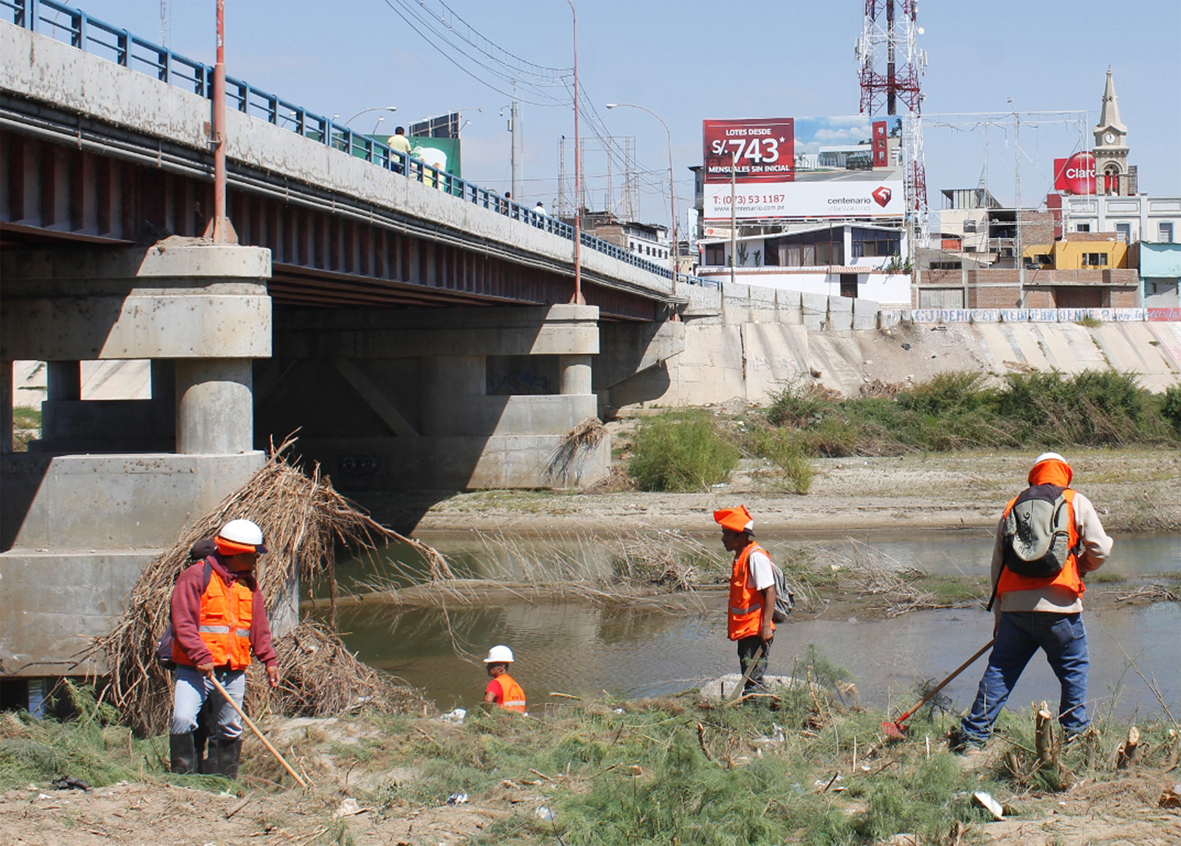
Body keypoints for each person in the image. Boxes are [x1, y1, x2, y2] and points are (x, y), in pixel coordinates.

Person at [957, 452, 1113, 752]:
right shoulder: (1074, 500)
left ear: (1034, 474)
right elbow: (1101, 548)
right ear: (1065, 473)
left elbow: (998, 564)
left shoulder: (1012, 505)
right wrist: (1079, 567)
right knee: (1074, 668)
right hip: (1060, 607)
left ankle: (974, 737)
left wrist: (1000, 614)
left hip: (1015, 607)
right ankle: (1075, 736)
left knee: (1000, 671)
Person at [169, 519, 280, 777]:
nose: (256, 560)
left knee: (230, 726)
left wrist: (270, 660)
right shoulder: (195, 576)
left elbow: (258, 627)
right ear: (235, 553)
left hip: (232, 671)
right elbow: (182, 622)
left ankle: (224, 783)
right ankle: (184, 782)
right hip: (195, 669)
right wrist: (200, 656)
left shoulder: (249, 584)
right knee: (184, 720)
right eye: (253, 554)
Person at [714, 506, 777, 697]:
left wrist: (765, 627)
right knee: (749, 676)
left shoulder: (755, 557)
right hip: (746, 629)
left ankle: (756, 717)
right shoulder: (741, 557)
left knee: (753, 680)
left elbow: (770, 592)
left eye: (726, 534)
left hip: (756, 630)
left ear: (740, 536)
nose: (723, 539)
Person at [482, 645, 526, 712]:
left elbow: (487, 703)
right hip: (518, 720)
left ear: (502, 667)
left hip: (501, 720)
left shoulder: (496, 683)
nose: (487, 667)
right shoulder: (516, 685)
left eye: (491, 665)